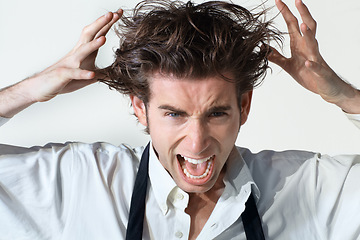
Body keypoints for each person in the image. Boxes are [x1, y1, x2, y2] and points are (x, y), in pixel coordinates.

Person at [0, 0, 359, 239]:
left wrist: (342, 94)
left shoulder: (304, 188)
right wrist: (31, 88)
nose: (197, 142)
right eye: (174, 114)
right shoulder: (84, 182)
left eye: (216, 113)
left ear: (244, 106)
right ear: (140, 108)